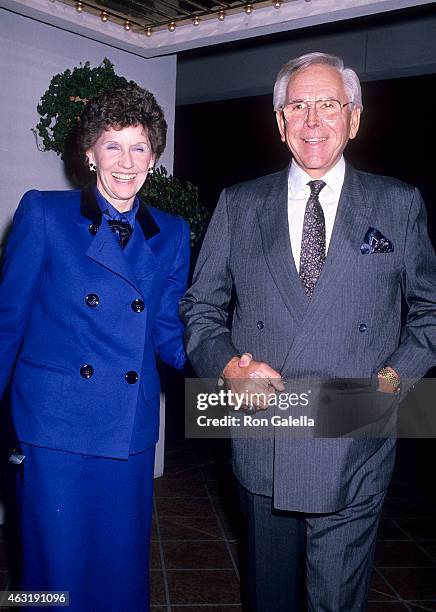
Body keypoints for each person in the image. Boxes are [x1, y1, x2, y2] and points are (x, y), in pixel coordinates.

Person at [180, 52, 436, 611]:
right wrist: (227, 369)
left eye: (328, 104)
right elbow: (199, 308)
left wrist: (392, 382)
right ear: (280, 122)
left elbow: (429, 312)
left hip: (356, 432)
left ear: (355, 118)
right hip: (266, 431)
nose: (313, 120)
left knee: (336, 600)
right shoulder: (240, 204)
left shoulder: (399, 204)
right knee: (269, 596)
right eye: (298, 106)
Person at [0, 83, 190, 610]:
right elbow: (6, 324)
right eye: (113, 146)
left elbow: (168, 331)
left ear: (153, 157)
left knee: (119, 570)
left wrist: (225, 363)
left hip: (127, 430)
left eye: (139, 147)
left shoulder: (171, 233)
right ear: (89, 154)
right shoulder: (44, 215)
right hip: (54, 428)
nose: (126, 163)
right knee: (50, 574)